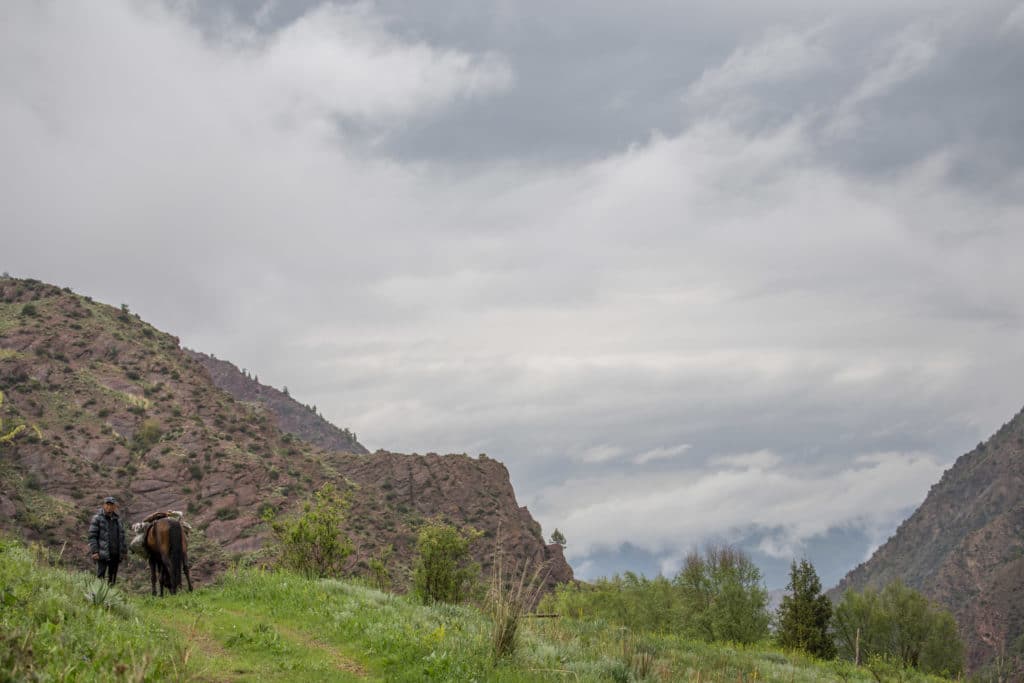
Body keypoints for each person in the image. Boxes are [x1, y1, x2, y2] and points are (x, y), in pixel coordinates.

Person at [88, 496, 127, 585]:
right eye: (107, 504)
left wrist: (124, 552)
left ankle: (111, 595)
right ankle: (98, 595)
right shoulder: (97, 518)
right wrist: (94, 551)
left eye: (111, 505)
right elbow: (92, 536)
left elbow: (122, 537)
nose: (109, 507)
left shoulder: (118, 520)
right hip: (102, 553)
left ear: (115, 507)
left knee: (112, 578)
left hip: (115, 554)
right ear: (104, 505)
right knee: (100, 576)